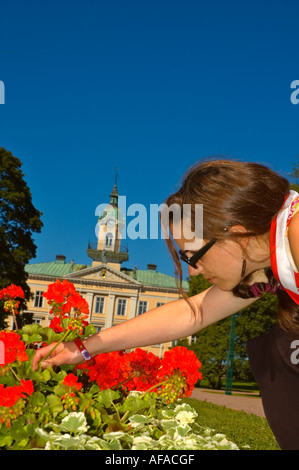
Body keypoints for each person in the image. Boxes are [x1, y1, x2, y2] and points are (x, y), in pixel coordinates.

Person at [32, 159, 299, 450]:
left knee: (282, 347)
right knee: (273, 349)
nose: (193, 271)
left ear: (236, 234)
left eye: (193, 255)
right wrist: (84, 348)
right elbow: (194, 312)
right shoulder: (266, 260)